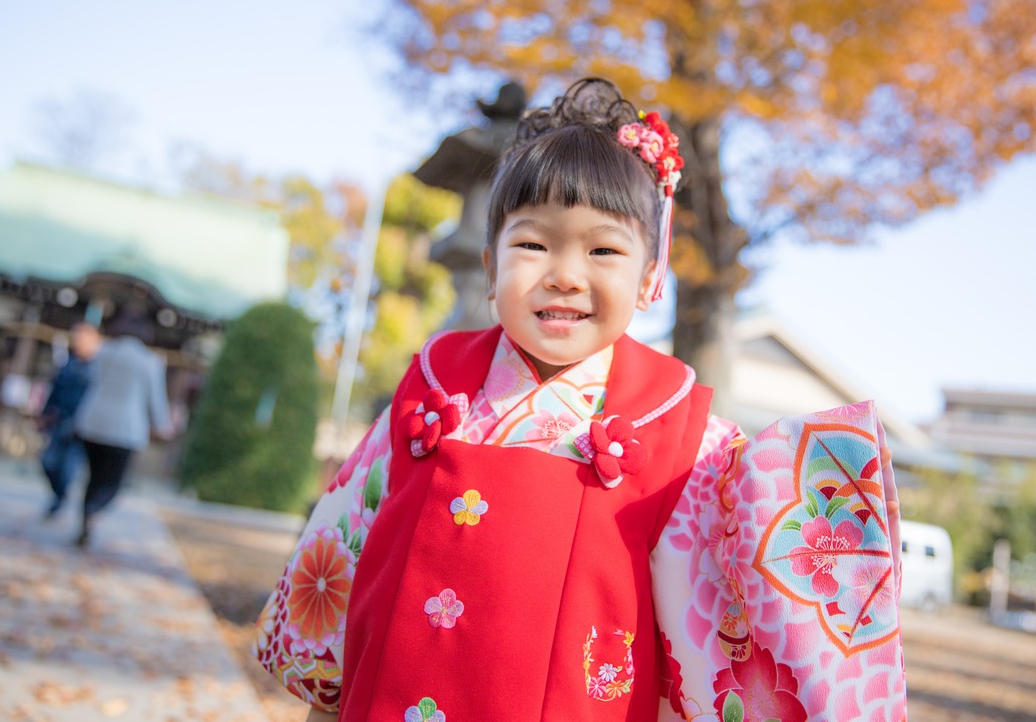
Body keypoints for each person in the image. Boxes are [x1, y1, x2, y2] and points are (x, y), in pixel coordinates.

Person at [252, 78, 907, 721]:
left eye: (603, 249)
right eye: (533, 244)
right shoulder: (431, 387)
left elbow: (711, 633)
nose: (564, 274)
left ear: (650, 275)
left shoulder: (682, 436)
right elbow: (348, 561)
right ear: (491, 265)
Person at [73, 306, 173, 548]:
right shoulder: (150, 361)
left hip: (93, 422)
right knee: (113, 481)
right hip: (125, 428)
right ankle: (94, 511)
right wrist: (162, 424)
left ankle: (87, 514)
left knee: (94, 476)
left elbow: (87, 380)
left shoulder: (103, 352)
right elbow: (155, 398)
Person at [37, 321, 101, 518]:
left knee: (68, 469)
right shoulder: (69, 364)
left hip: (81, 428)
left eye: (81, 338)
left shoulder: (99, 369)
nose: (77, 342)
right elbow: (55, 391)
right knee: (47, 462)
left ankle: (59, 499)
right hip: (59, 421)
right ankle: (59, 494)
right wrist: (45, 414)